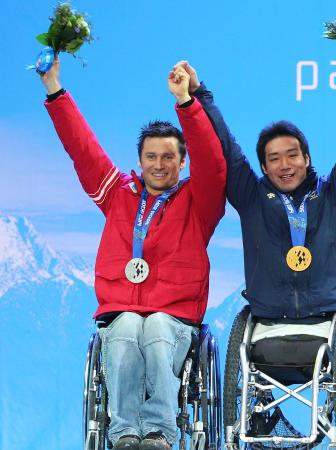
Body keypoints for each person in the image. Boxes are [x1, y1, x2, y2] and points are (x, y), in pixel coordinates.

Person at [41, 59, 226, 450]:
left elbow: (212, 160)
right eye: (151, 157)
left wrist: (187, 103)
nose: (159, 165)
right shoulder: (118, 194)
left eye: (169, 157)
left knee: (156, 328)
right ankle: (125, 433)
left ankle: (159, 432)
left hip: (174, 315)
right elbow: (83, 148)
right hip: (122, 307)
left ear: (182, 161)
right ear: (140, 161)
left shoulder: (200, 200)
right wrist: (55, 91)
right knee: (126, 328)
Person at [176, 59, 336, 326]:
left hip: (328, 317)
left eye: (292, 156)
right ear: (264, 167)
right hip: (267, 319)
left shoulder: (334, 194)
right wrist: (199, 95)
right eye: (274, 159)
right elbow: (226, 147)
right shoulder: (251, 197)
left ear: (307, 159)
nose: (285, 165)